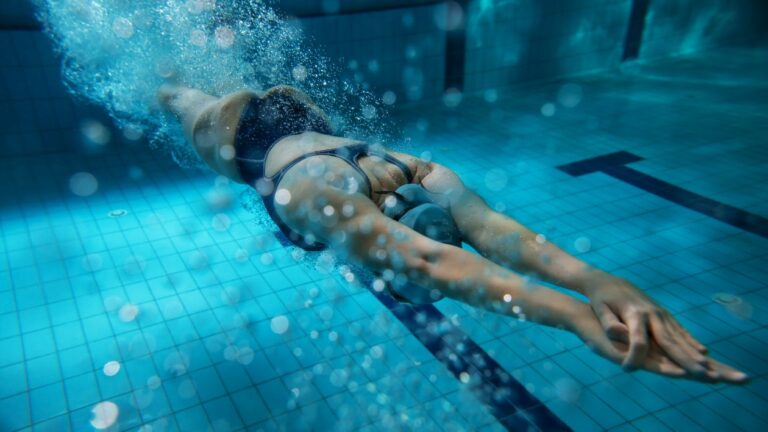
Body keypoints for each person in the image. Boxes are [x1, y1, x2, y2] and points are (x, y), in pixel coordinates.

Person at [157, 84, 748, 384]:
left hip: (303, 127)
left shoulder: (404, 169)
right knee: (185, 101)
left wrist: (597, 281)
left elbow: (490, 232)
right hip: (248, 141)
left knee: (213, 89)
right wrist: (577, 312)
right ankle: (167, 89)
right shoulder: (320, 193)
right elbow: (434, 264)